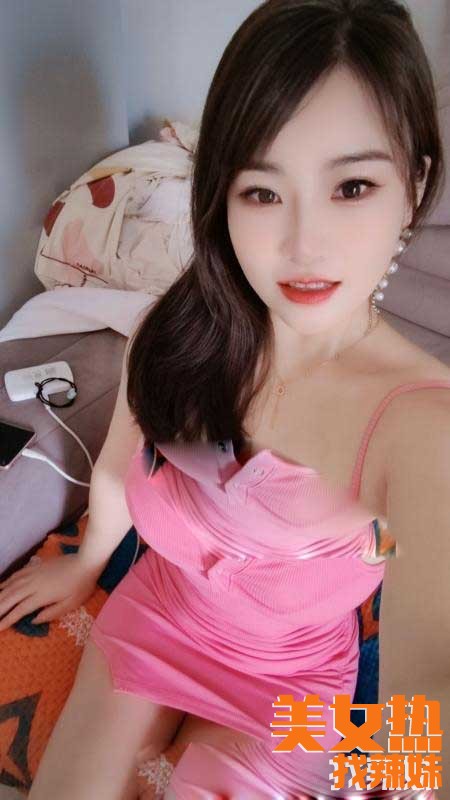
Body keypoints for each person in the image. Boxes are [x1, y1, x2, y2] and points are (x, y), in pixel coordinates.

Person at [1, 0, 449, 797]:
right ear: (221, 194)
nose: (304, 244)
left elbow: (434, 677)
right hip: (158, 615)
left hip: (292, 680)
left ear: (413, 186)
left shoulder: (420, 425)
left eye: (351, 186)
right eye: (263, 193)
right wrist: (88, 565)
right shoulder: (177, 333)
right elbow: (118, 471)